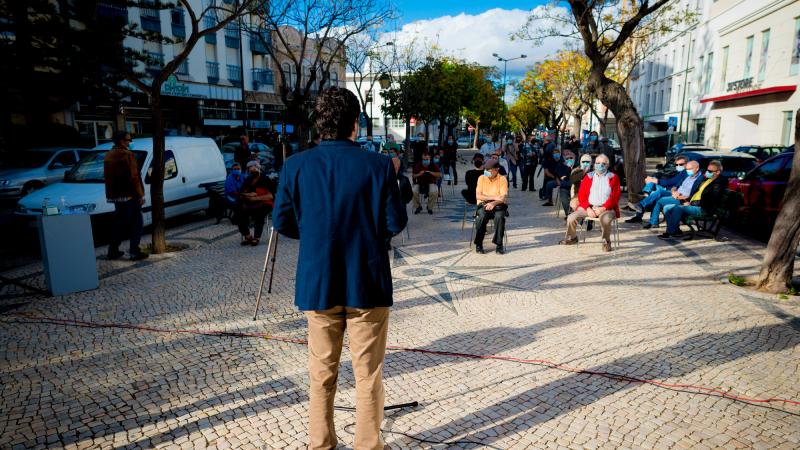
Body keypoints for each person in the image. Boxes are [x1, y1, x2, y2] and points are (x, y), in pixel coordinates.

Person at [272, 87, 407, 450]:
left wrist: (316, 234)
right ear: (355, 122)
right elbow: (395, 222)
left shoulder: (295, 165)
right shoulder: (378, 165)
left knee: (321, 373)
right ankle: (367, 445)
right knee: (367, 374)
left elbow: (282, 222)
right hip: (367, 282)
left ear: (318, 122)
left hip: (319, 281)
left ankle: (321, 444)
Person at [560, 154, 621, 252]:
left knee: (605, 220)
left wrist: (603, 208)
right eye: (597, 163)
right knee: (571, 217)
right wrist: (588, 208)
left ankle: (606, 241)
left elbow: (615, 196)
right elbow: (581, 195)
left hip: (607, 208)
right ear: (594, 164)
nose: (600, 165)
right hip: (589, 207)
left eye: (603, 163)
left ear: (607, 165)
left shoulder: (613, 177)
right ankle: (572, 237)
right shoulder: (588, 177)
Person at [104, 131, 148, 261]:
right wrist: (140, 195)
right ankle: (134, 251)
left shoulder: (108, 155)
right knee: (136, 223)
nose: (130, 142)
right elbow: (134, 177)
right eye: (129, 140)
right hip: (130, 194)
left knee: (119, 223)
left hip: (116, 196)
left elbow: (107, 177)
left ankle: (112, 251)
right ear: (122, 141)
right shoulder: (127, 155)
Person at [659, 160, 727, 239]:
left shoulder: (718, 183)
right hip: (694, 204)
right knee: (667, 207)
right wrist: (689, 200)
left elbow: (712, 199)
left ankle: (670, 232)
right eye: (707, 170)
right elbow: (696, 193)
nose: (707, 172)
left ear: (718, 172)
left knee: (678, 208)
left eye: (710, 171)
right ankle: (675, 230)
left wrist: (693, 203)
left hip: (704, 208)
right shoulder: (706, 179)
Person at [625, 155, 690, 223]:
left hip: (672, 192)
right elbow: (670, 181)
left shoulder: (686, 173)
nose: (678, 166)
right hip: (669, 189)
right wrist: (654, 180)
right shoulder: (678, 172)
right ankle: (645, 194)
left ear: (687, 163)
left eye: (681, 164)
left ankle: (641, 208)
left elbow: (671, 182)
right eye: (676, 164)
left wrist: (656, 181)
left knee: (654, 192)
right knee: (652, 184)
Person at [641, 160, 703, 230]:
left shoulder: (700, 179)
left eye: (690, 169)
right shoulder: (688, 176)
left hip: (682, 199)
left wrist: (681, 197)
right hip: (675, 193)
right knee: (657, 192)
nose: (688, 171)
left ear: (697, 168)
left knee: (658, 199)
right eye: (687, 169)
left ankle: (648, 215)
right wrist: (674, 190)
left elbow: (695, 193)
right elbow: (678, 184)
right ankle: (643, 207)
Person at [473, 159, 509, 254]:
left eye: (488, 170)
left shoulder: (502, 179)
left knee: (500, 217)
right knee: (481, 217)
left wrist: (493, 203)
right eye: (485, 169)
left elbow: (503, 198)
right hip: (483, 204)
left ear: (496, 170)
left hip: (498, 205)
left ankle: (499, 244)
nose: (486, 172)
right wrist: (493, 197)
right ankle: (479, 244)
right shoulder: (481, 178)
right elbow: (478, 196)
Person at [237, 160, 274, 246]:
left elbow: (271, 196)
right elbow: (242, 191)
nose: (252, 171)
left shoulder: (265, 179)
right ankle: (248, 236)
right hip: (251, 203)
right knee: (239, 213)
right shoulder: (248, 179)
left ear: (258, 168)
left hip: (265, 203)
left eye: (253, 169)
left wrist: (256, 198)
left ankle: (257, 237)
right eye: (250, 170)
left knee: (259, 213)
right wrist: (244, 195)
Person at [555, 151, 577, 217]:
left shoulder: (578, 166)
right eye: (567, 158)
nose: (569, 160)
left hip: (576, 187)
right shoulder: (560, 166)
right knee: (564, 200)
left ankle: (575, 214)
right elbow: (559, 177)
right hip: (565, 187)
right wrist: (568, 168)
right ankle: (569, 215)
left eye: (571, 158)